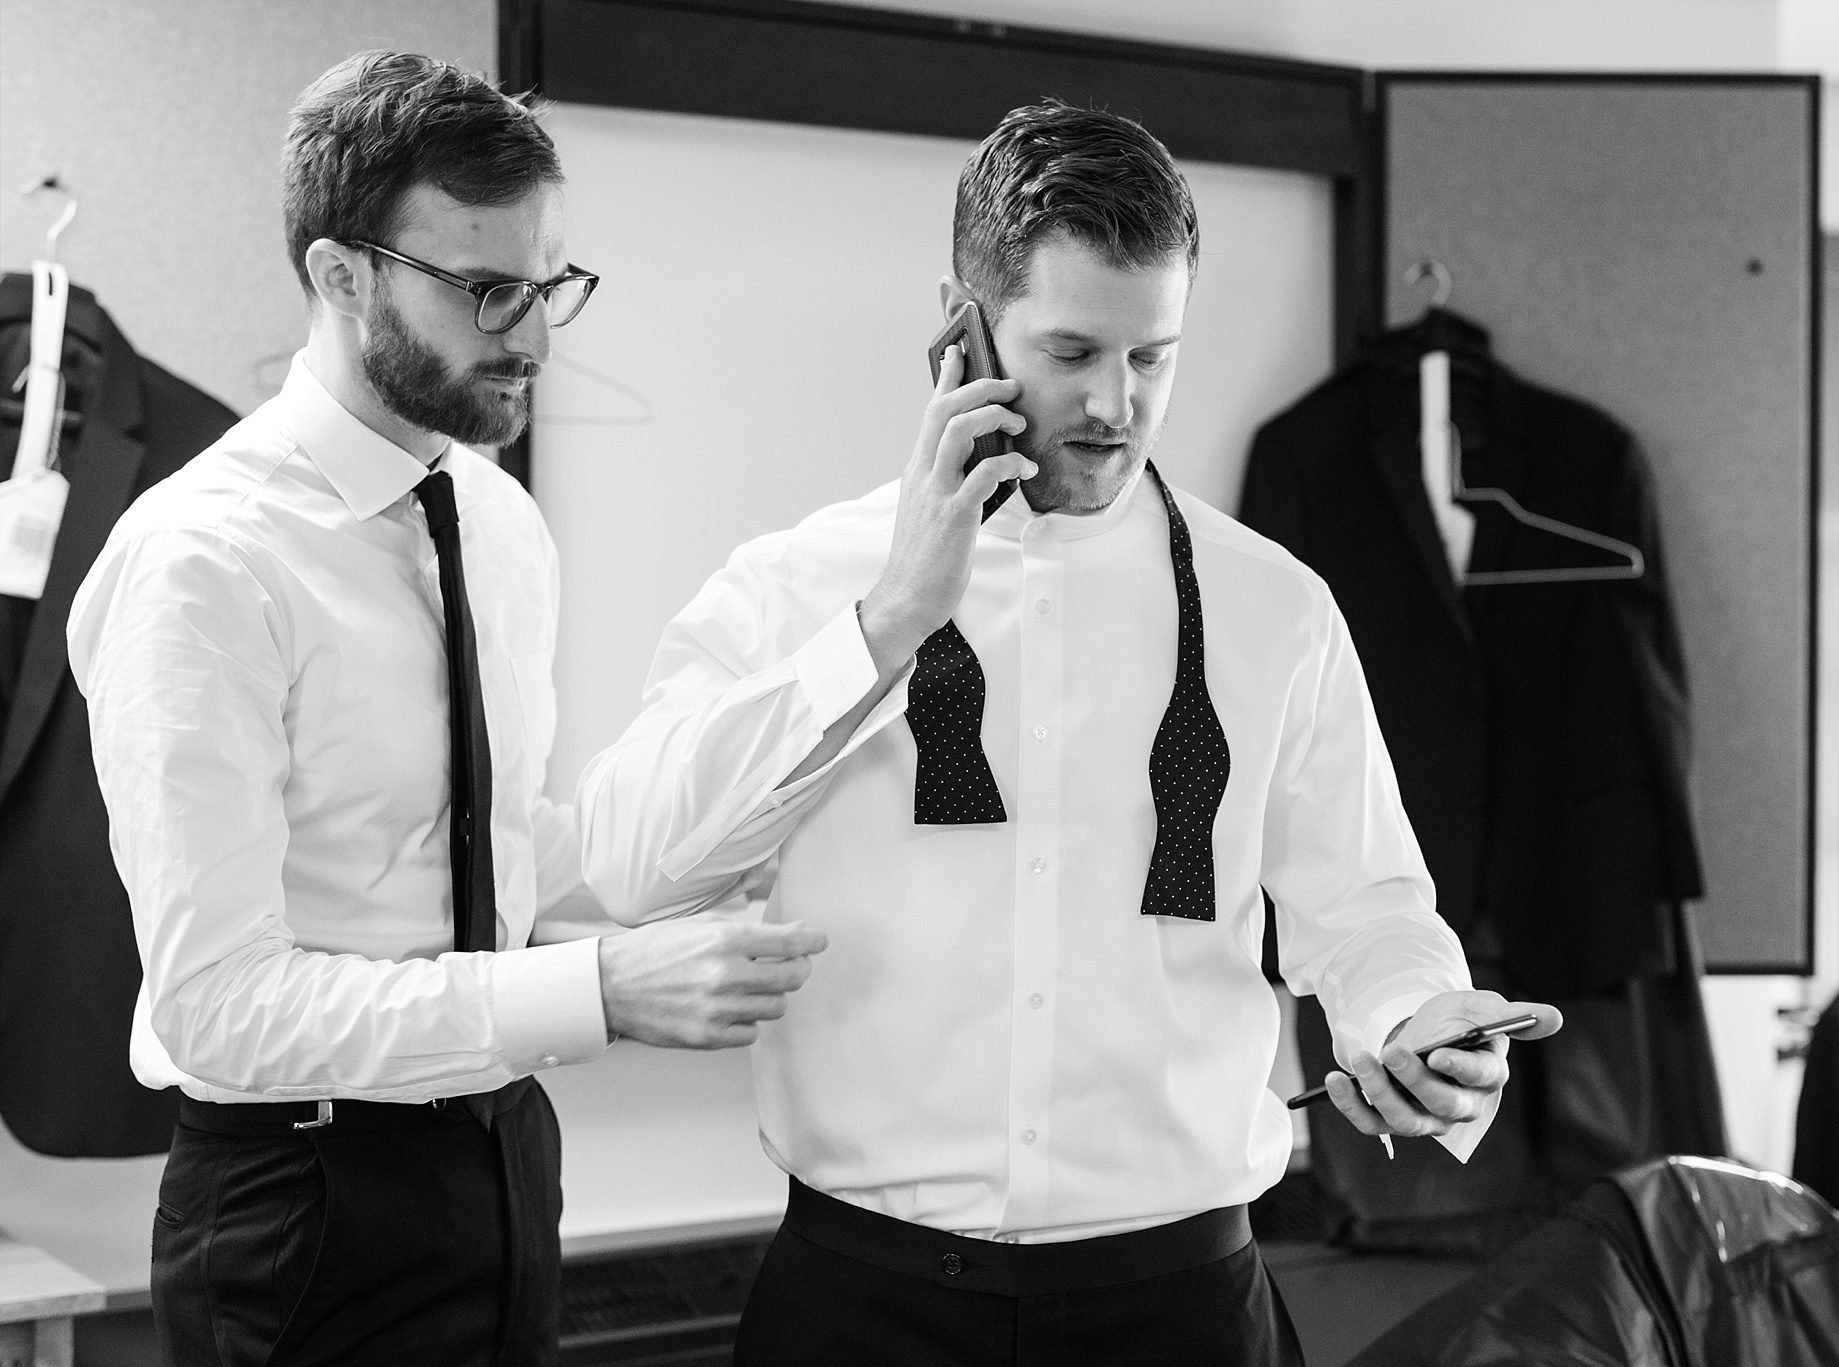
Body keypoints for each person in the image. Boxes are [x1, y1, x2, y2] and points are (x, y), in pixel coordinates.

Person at [579, 100, 1560, 1365]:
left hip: (1182, 1305)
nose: (1114, 403)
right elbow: (634, 865)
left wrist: (1415, 1020)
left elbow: (1364, 908)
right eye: (1070, 351)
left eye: (1152, 356)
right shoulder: (795, 589)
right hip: (862, 1305)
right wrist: (881, 629)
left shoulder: (1275, 607)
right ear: (960, 323)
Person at [65, 53, 826, 1366]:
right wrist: (595, 986)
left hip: (506, 1160)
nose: (532, 337)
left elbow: (489, 847)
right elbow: (220, 1005)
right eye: (485, 290)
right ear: (341, 276)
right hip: (301, 1204)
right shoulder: (200, 561)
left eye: (547, 286)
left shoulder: (499, 520)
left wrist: (715, 830)